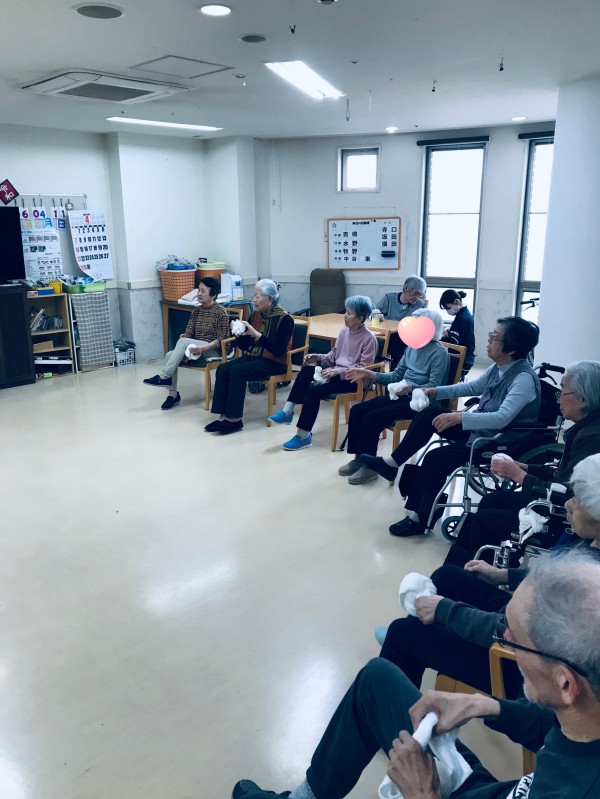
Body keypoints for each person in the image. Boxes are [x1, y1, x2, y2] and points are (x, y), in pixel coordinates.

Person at [232, 547, 600, 799]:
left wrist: (422, 792)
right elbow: (555, 726)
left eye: (514, 639)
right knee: (377, 680)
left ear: (566, 684)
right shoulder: (584, 713)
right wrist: (485, 705)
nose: (505, 640)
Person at [376, 452, 600, 698]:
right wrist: (502, 574)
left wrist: (445, 611)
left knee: (403, 634)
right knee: (447, 577)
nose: (568, 505)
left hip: (528, 668)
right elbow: (552, 579)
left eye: (577, 502)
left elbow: (514, 631)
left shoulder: (590, 584)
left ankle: (409, 659)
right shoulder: (591, 543)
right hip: (532, 622)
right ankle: (423, 627)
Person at [360, 317, 541, 537]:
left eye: (494, 337)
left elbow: (502, 418)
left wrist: (460, 418)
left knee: (436, 458)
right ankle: (392, 463)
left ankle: (419, 519)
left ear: (511, 349)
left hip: (499, 441)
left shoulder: (523, 379)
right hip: (482, 429)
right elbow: (472, 387)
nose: (488, 341)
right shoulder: (499, 367)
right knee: (429, 414)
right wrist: (434, 391)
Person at [446, 359, 600, 566]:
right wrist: (526, 468)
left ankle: (471, 571)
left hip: (564, 517)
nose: (558, 399)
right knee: (492, 500)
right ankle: (473, 566)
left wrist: (519, 476)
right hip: (558, 503)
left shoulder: (592, 439)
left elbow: (568, 494)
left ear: (583, 400)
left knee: (485, 519)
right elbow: (563, 475)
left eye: (563, 391)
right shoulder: (586, 429)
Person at [337, 308, 449, 484]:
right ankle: (360, 458)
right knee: (358, 410)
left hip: (421, 401)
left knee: (372, 417)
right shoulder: (411, 348)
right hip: (401, 394)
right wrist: (369, 374)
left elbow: (435, 386)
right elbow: (395, 376)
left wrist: (411, 388)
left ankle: (370, 468)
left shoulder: (439, 353)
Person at [267, 296, 378, 451]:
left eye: (349, 313)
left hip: (354, 381)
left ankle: (304, 436)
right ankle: (287, 410)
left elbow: (363, 369)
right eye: (345, 312)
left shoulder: (369, 339)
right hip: (337, 374)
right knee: (306, 370)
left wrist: (339, 371)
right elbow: (334, 356)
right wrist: (318, 357)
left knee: (315, 389)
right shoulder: (344, 331)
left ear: (360, 318)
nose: (345, 316)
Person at [206, 279, 293, 435]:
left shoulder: (285, 319)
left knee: (237, 371)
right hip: (256, 357)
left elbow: (279, 350)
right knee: (223, 368)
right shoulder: (256, 315)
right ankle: (223, 417)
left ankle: (235, 419)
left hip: (275, 362)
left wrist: (257, 335)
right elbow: (244, 346)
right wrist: (238, 333)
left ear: (269, 299)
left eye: (257, 296)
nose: (254, 299)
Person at [143, 276, 230, 410]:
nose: (199, 294)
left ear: (213, 294)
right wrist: (186, 351)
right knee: (169, 355)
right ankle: (173, 395)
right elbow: (188, 334)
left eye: (203, 291)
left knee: (183, 342)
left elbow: (222, 339)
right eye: (198, 290)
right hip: (196, 348)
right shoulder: (196, 311)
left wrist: (203, 348)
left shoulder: (221, 312)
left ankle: (164, 376)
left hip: (212, 350)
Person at [377, 275, 427, 368]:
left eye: (420, 295)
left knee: (400, 342)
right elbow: (374, 313)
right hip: (388, 336)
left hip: (406, 338)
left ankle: (395, 372)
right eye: (416, 293)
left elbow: (425, 323)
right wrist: (377, 315)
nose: (418, 297)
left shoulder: (420, 304)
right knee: (374, 342)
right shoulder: (389, 298)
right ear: (405, 289)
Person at [439, 289, 476, 378]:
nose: (447, 311)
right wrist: (449, 331)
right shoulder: (465, 313)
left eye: (448, 308)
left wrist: (438, 339)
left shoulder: (462, 318)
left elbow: (453, 341)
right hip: (468, 358)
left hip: (462, 361)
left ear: (457, 302)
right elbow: (460, 333)